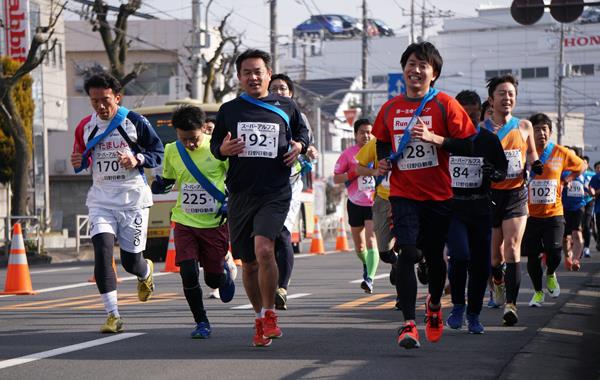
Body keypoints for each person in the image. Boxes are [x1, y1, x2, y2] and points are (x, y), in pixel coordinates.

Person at [374, 42, 476, 349]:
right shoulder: (390, 108)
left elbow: (469, 145)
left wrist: (436, 138)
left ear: (434, 74)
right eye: (411, 64)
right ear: (403, 69)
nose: (415, 70)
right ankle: (407, 324)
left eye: (423, 65)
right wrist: (383, 159)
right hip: (404, 193)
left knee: (433, 257)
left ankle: (433, 304)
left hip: (439, 196)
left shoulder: (445, 104)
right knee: (407, 253)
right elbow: (382, 140)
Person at [210, 49, 309, 347]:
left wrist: (299, 147)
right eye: (246, 73)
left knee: (265, 249)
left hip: (276, 191)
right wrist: (223, 151)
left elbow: (304, 136)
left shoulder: (287, 105)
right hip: (241, 193)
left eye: (258, 71)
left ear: (268, 74)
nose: (253, 77)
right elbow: (216, 146)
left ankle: (270, 315)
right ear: (239, 77)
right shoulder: (229, 110)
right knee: (249, 263)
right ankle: (257, 317)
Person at [70, 72, 164, 333]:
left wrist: (137, 160)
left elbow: (157, 152)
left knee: (131, 262)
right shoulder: (85, 126)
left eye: (106, 100)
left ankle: (145, 272)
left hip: (132, 199)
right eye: (95, 101)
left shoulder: (135, 122)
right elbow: (83, 157)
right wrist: (79, 163)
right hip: (101, 199)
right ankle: (113, 314)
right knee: (101, 252)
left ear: (117, 97)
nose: (101, 106)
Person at [151, 105, 236, 338]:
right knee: (187, 272)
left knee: (212, 279)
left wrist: (231, 202)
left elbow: (236, 179)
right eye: (183, 138)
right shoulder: (171, 150)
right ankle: (201, 322)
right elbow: (169, 178)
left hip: (214, 222)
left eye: (194, 138)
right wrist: (161, 185)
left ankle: (224, 272)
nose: (189, 144)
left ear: (203, 129)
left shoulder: (218, 148)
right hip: (185, 221)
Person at [446, 90, 508, 334]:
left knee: (481, 264)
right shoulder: (445, 139)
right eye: (464, 115)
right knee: (460, 255)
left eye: (474, 115)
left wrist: (494, 173)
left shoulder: (489, 140)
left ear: (482, 114)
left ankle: (473, 315)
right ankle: (457, 307)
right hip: (454, 207)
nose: (469, 120)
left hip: (481, 207)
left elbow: (503, 171)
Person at [485, 74, 540, 326]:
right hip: (491, 195)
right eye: (501, 94)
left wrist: (535, 164)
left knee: (513, 248)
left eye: (511, 94)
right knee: (495, 258)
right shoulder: (482, 130)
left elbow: (531, 153)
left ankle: (511, 305)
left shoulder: (524, 126)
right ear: (491, 99)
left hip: (516, 193)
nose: (507, 98)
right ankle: (497, 280)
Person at [268, 73, 318, 310]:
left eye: (283, 89)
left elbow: (307, 142)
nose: (278, 93)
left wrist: (307, 150)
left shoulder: (299, 116)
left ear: (291, 94)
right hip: (261, 183)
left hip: (290, 181)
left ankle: (282, 287)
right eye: (274, 88)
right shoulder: (259, 113)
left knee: (283, 232)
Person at [523, 113, 584, 308]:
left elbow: (581, 166)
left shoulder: (560, 152)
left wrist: (567, 179)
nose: (541, 133)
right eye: (537, 129)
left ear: (550, 132)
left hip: (554, 212)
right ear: (530, 132)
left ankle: (550, 273)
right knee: (532, 257)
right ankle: (538, 292)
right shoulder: (524, 151)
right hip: (529, 214)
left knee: (555, 251)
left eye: (544, 129)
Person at [334, 119, 379, 293]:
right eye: (362, 132)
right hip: (354, 202)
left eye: (369, 132)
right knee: (360, 248)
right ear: (355, 135)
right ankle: (367, 265)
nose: (366, 135)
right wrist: (352, 173)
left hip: (373, 202)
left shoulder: (378, 150)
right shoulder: (348, 154)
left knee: (371, 239)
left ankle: (369, 279)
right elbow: (336, 178)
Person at [561, 148, 588, 272]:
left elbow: (587, 186)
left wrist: (590, 189)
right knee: (565, 237)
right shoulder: (562, 172)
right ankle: (568, 256)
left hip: (579, 207)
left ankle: (576, 259)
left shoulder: (583, 172)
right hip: (565, 208)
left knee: (577, 233)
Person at [580, 156, 595, 259]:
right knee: (579, 226)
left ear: (588, 164)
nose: (583, 165)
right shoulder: (575, 174)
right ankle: (579, 247)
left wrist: (592, 191)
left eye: (584, 163)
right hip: (578, 203)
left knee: (586, 225)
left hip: (589, 201)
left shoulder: (592, 175)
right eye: (581, 162)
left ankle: (586, 248)